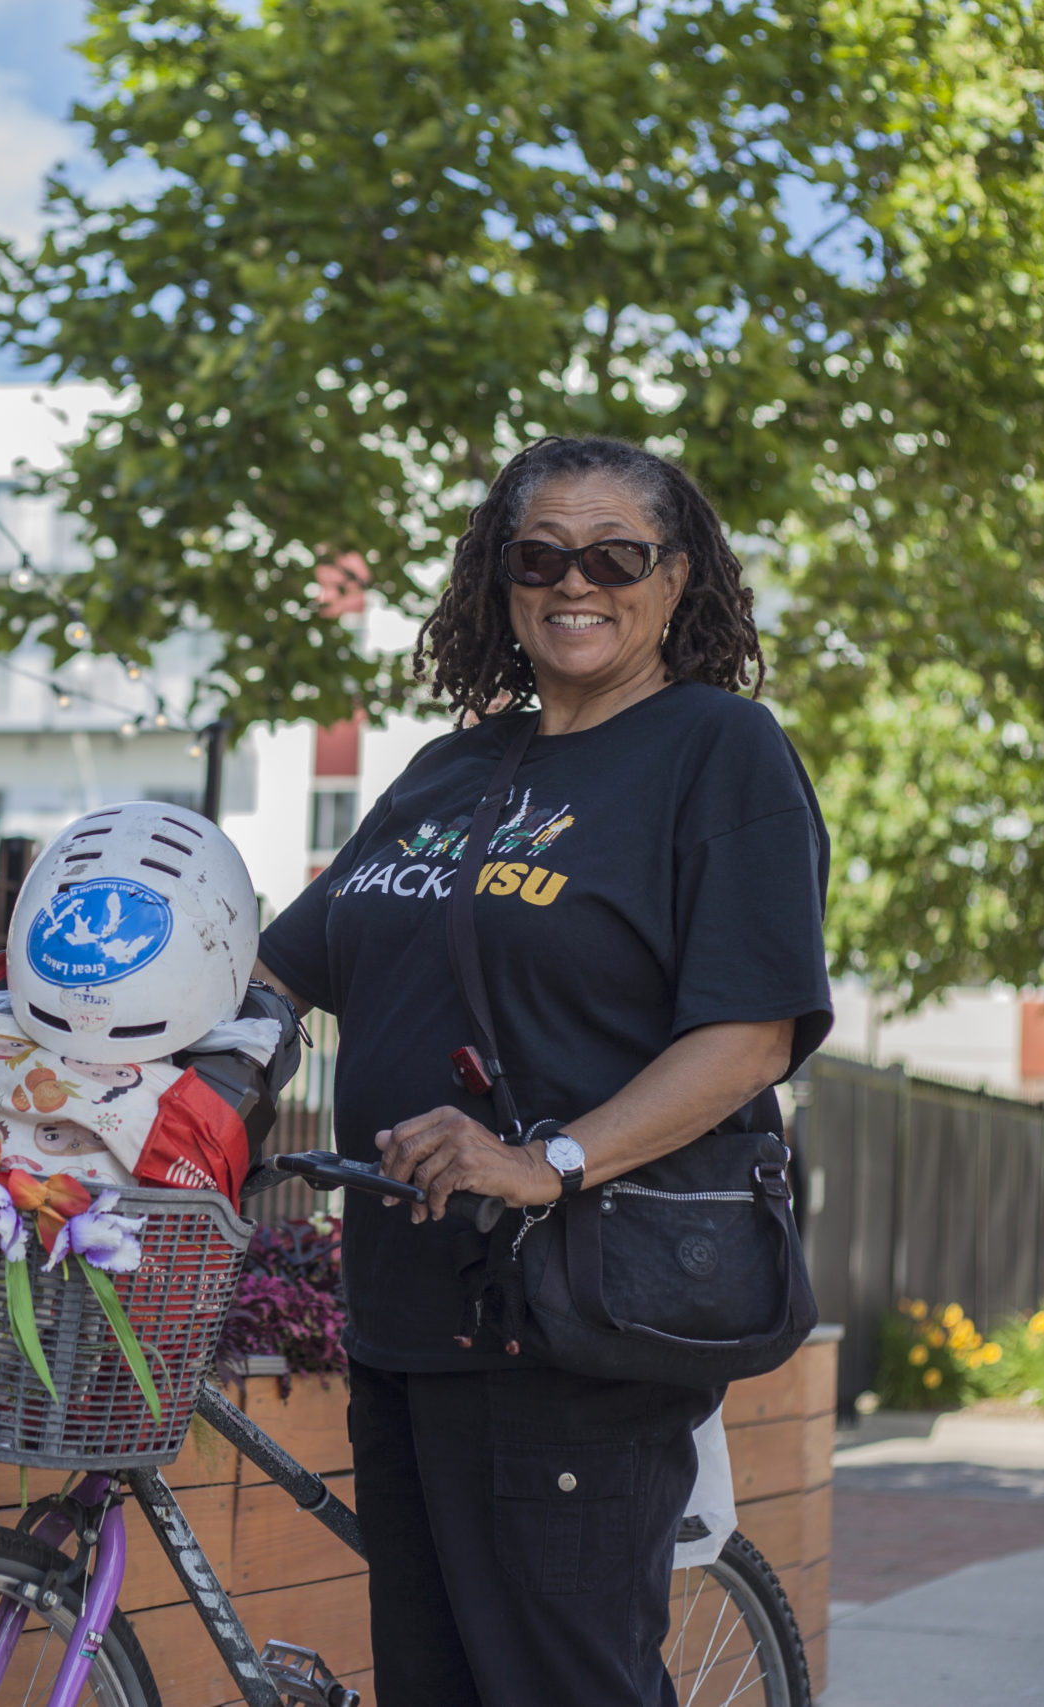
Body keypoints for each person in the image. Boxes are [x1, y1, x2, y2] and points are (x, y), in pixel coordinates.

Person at [252, 435, 832, 1707]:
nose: (578, 582)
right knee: (433, 1683)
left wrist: (542, 1161)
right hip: (408, 1306)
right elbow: (284, 966)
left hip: (570, 1320)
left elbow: (751, 1035)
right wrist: (85, 1049)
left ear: (676, 580)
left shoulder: (716, 750)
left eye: (616, 555)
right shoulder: (449, 768)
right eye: (540, 555)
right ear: (498, 580)